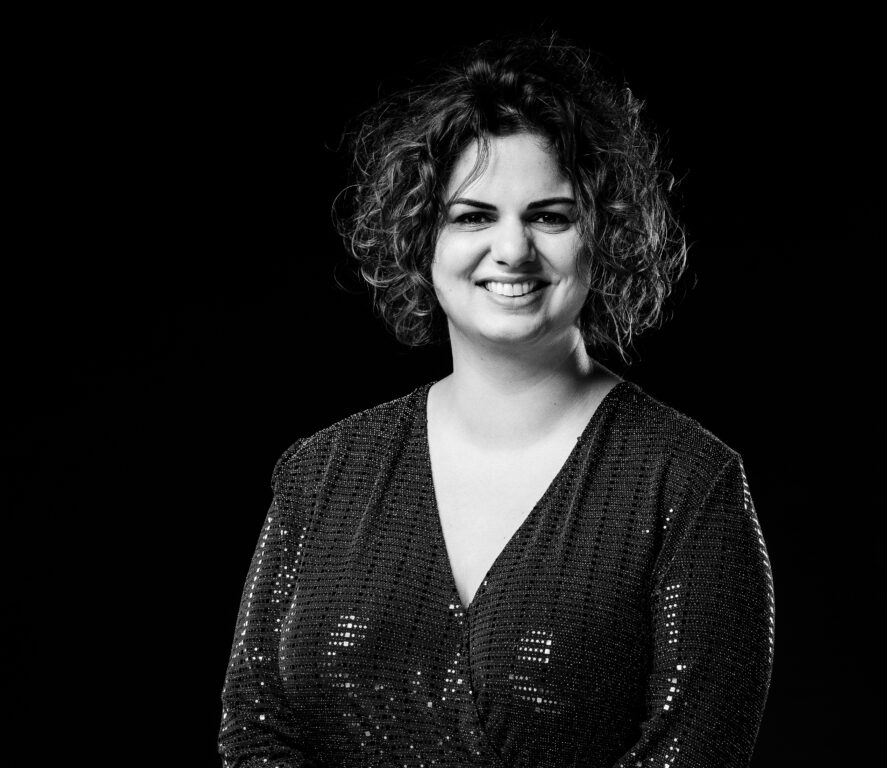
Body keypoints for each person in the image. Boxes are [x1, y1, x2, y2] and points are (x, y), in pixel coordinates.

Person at [219, 35, 775, 768]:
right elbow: (256, 731)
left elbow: (694, 753)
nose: (512, 250)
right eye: (473, 216)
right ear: (421, 236)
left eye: (550, 216)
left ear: (601, 235)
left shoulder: (690, 486)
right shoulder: (318, 477)